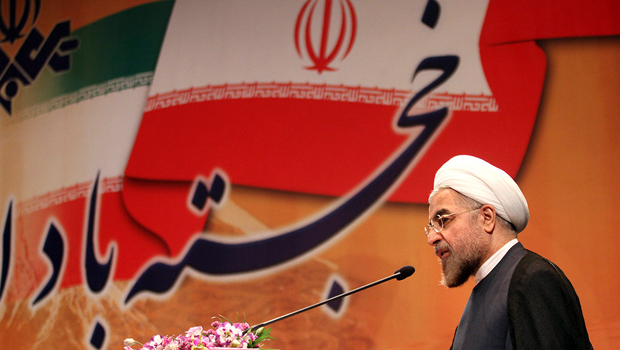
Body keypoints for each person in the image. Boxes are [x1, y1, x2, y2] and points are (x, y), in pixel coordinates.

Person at [426, 155, 592, 350]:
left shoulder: (533, 281)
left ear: (487, 218)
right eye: (431, 226)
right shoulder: (480, 296)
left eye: (443, 220)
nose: (432, 238)